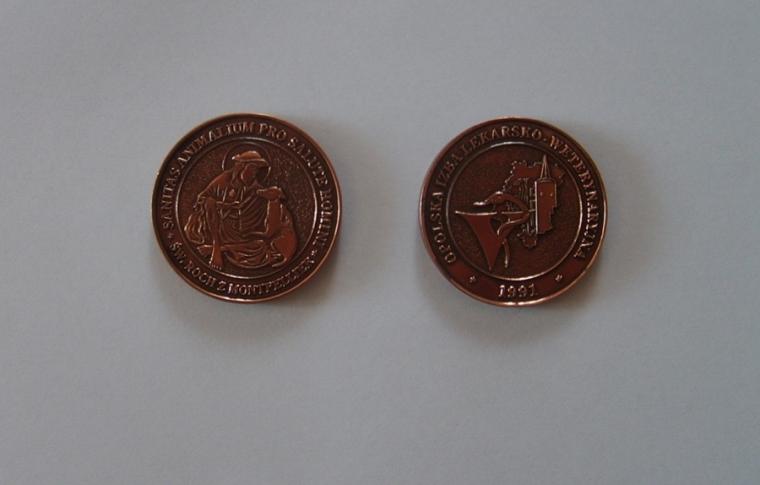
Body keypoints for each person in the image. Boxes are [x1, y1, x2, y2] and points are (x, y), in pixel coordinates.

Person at [184, 149, 297, 270]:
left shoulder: (257, 189)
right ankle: (216, 247)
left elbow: (264, 223)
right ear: (241, 166)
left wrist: (273, 202)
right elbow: (202, 199)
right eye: (252, 168)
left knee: (260, 246)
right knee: (209, 202)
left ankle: (221, 248)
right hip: (218, 226)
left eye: (257, 169)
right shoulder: (224, 179)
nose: (255, 173)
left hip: (243, 233)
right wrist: (225, 205)